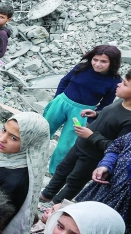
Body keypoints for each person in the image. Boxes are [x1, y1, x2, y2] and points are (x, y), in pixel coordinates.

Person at [42, 68, 131, 204]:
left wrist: (91, 136)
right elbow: (111, 116)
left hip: (93, 157)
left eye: (125, 84)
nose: (119, 84)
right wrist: (96, 114)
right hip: (81, 145)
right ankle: (46, 194)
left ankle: (55, 206)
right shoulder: (122, 101)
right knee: (62, 170)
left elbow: (118, 148)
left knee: (74, 181)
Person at [43, 44, 121, 174]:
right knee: (44, 130)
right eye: (95, 60)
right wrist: (57, 99)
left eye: (103, 61)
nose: (97, 64)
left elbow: (105, 104)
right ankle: (26, 157)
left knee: (66, 145)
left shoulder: (114, 81)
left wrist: (92, 119)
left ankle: (54, 172)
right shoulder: (82, 67)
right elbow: (64, 81)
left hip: (82, 114)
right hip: (61, 103)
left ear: (112, 63)